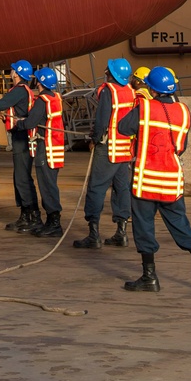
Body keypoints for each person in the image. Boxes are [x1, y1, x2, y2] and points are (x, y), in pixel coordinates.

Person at [115, 65, 191, 293]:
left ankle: (149, 277)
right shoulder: (184, 111)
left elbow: (123, 127)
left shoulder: (145, 108)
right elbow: (181, 147)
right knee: (180, 224)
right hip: (171, 180)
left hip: (145, 180)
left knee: (143, 226)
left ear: (151, 87)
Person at [73, 57, 134, 250]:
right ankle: (121, 232)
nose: (105, 73)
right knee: (122, 189)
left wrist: (94, 138)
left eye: (107, 70)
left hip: (108, 148)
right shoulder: (130, 92)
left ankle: (93, 234)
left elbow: (102, 121)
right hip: (125, 149)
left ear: (111, 74)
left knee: (96, 189)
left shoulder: (109, 91)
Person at [0, 60, 40, 231]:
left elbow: (2, 103)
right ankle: (30, 214)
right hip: (23, 137)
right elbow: (17, 112)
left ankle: (29, 216)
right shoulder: (25, 91)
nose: (10, 72)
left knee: (21, 178)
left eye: (13, 70)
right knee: (23, 177)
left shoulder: (19, 90)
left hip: (21, 139)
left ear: (17, 73)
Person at [21, 66, 65, 238]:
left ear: (39, 82)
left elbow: (30, 122)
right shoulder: (56, 98)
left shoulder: (42, 100)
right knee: (50, 185)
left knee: (47, 187)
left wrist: (18, 124)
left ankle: (54, 223)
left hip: (44, 149)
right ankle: (51, 221)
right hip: (55, 147)